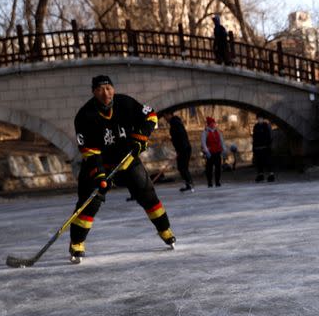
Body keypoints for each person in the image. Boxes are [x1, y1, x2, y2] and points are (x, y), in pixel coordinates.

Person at [69, 75, 176, 263]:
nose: (105, 93)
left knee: (148, 194)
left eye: (109, 88)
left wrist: (140, 137)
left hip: (127, 161)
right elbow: (89, 151)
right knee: (89, 203)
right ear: (93, 91)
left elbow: (150, 116)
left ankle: (165, 230)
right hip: (99, 164)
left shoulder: (126, 103)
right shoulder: (85, 115)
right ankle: (77, 244)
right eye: (100, 89)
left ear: (114, 89)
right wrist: (99, 175)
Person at [164, 114, 194, 192]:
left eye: (165, 116)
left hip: (184, 149)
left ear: (169, 115)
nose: (165, 118)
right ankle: (188, 183)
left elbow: (182, 136)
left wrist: (181, 149)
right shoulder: (174, 123)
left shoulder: (176, 123)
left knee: (182, 167)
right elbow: (177, 137)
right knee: (182, 167)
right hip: (183, 148)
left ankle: (189, 183)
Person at [201, 116, 225, 187]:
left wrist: (224, 149)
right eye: (211, 123)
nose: (213, 125)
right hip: (210, 153)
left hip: (217, 151)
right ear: (208, 124)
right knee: (209, 169)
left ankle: (217, 181)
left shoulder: (217, 131)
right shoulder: (205, 132)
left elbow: (221, 141)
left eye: (214, 123)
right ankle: (209, 182)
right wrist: (206, 151)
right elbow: (203, 143)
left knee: (218, 168)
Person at [252, 116, 274, 182]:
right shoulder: (255, 126)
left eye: (261, 119)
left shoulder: (266, 126)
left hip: (265, 147)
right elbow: (254, 137)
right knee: (259, 162)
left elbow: (270, 136)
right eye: (258, 119)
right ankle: (260, 175)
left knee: (268, 161)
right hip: (258, 147)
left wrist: (268, 144)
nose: (259, 120)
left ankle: (271, 174)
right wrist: (254, 147)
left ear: (263, 119)